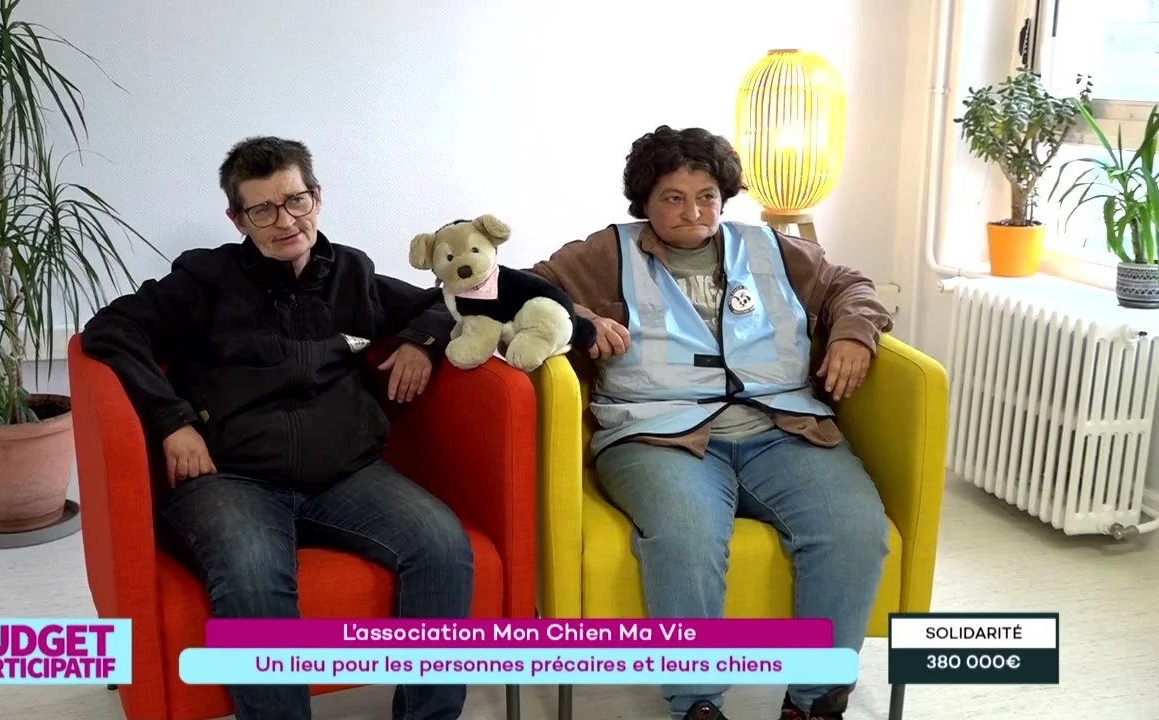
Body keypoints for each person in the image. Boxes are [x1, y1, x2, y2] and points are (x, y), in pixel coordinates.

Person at [79, 136, 474, 720]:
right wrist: (171, 421)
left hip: (345, 473)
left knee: (441, 544)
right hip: (230, 477)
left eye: (295, 201)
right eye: (262, 210)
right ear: (238, 219)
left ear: (317, 197)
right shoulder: (203, 279)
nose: (285, 221)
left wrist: (422, 339)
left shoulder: (351, 272)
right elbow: (109, 330)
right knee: (253, 579)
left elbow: (446, 301)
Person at [527, 125, 894, 720]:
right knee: (686, 536)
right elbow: (523, 290)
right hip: (655, 433)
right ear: (645, 201)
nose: (693, 212)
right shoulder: (605, 252)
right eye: (673, 197)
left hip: (783, 427)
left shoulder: (772, 248)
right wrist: (581, 317)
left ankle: (815, 702)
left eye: (706, 197)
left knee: (854, 528)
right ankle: (696, 704)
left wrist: (854, 332)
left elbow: (851, 285)